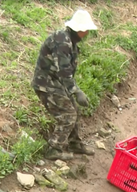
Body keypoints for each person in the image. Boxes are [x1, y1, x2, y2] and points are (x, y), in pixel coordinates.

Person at [31, 9, 97, 161]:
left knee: (74, 109)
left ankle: (74, 144)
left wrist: (73, 91)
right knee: (68, 115)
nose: (87, 33)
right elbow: (63, 70)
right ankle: (54, 149)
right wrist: (76, 91)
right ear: (80, 29)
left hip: (55, 83)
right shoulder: (62, 41)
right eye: (86, 30)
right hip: (46, 84)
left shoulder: (69, 41)